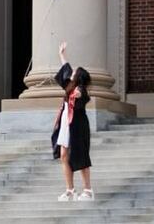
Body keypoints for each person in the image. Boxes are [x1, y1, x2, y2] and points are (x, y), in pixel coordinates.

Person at [51, 41, 94, 202]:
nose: (71, 73)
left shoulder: (80, 90)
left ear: (78, 78)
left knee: (81, 156)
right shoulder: (69, 86)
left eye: (74, 73)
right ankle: (70, 190)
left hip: (77, 126)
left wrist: (78, 94)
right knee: (63, 155)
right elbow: (66, 69)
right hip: (66, 124)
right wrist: (62, 54)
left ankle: (88, 190)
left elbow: (82, 94)